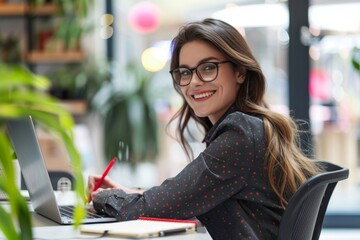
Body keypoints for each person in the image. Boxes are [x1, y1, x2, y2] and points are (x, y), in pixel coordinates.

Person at [88, 18, 322, 239]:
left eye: (208, 68)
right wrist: (131, 195)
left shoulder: (240, 135)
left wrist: (102, 198)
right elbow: (184, 199)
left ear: (239, 71)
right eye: (185, 72)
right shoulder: (251, 127)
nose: (194, 82)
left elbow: (140, 212)